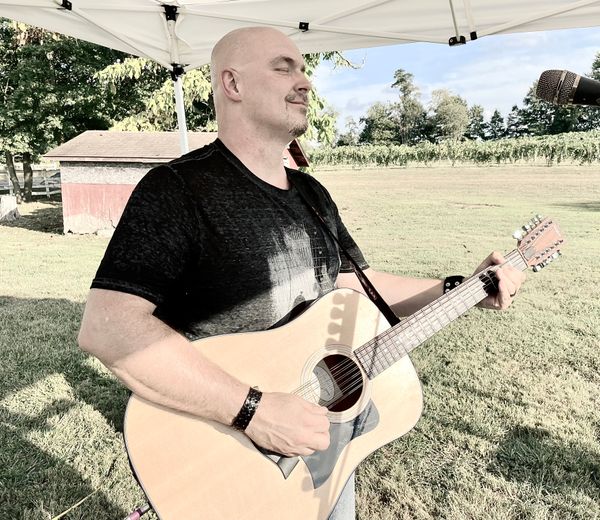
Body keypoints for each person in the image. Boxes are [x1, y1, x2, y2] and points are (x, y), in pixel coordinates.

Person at [78, 26, 525, 519]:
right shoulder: (176, 189)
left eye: (304, 69)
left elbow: (353, 283)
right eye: (283, 67)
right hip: (233, 450)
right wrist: (253, 410)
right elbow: (109, 328)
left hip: (325, 442)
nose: (306, 82)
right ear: (232, 84)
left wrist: (459, 288)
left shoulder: (311, 194)